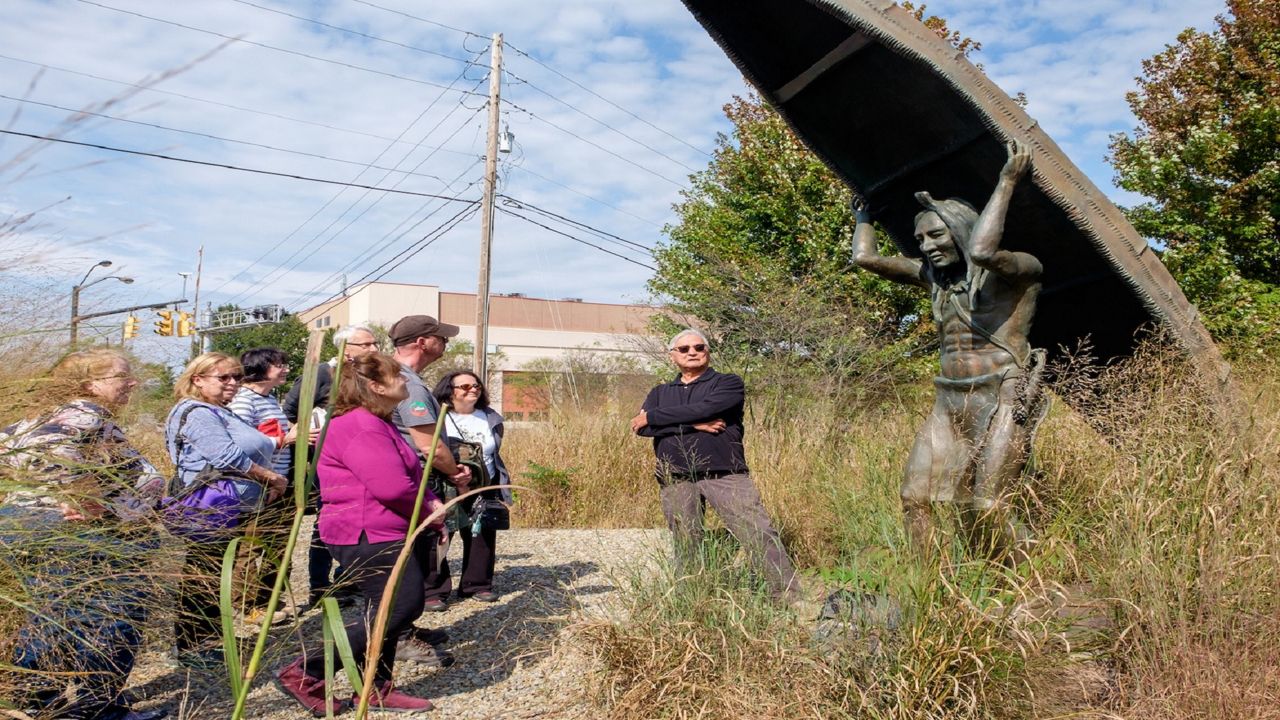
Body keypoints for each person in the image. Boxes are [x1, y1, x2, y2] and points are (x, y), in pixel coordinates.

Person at [851, 140, 1044, 565]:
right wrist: (864, 218)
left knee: (990, 507)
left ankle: (1034, 585)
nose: (926, 246)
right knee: (914, 497)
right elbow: (864, 258)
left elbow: (982, 252)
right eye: (920, 239)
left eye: (936, 234)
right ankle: (933, 590)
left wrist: (1007, 180)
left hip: (1001, 399)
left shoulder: (1019, 272)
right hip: (948, 401)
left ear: (960, 228)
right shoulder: (933, 279)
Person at [0, 349, 167, 720]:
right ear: (90, 383)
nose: (132, 382)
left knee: (53, 617)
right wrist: (86, 496)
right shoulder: (84, 410)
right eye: (122, 376)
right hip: (78, 534)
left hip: (30, 525)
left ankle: (37, 704)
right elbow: (55, 447)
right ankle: (100, 708)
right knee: (116, 619)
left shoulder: (39, 414)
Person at [275, 354, 444, 715]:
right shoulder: (360, 425)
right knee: (401, 606)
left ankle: (374, 687)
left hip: (382, 527)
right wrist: (430, 511)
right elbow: (392, 488)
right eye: (396, 374)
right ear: (376, 387)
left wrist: (432, 506)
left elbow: (411, 477)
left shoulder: (376, 422)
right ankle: (306, 673)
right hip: (366, 530)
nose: (404, 379)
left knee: (382, 610)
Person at [630, 329, 800, 603]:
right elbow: (642, 429)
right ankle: (693, 597)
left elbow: (704, 409)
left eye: (699, 347)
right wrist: (692, 425)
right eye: (684, 349)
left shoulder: (728, 383)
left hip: (725, 473)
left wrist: (655, 417)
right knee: (686, 540)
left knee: (757, 532)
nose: (692, 352)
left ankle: (788, 597)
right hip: (675, 476)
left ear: (708, 352)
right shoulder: (660, 392)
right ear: (673, 356)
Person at [165, 352, 287, 670]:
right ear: (198, 379)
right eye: (224, 378)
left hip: (228, 505)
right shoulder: (196, 412)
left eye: (236, 377)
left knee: (214, 572)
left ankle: (207, 640)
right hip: (208, 505)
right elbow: (228, 456)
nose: (232, 383)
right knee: (202, 576)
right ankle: (195, 646)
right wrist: (271, 477)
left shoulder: (218, 410)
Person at [385, 315, 469, 666]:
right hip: (415, 485)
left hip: (407, 483)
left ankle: (405, 626)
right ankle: (397, 637)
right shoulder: (410, 386)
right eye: (440, 338)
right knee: (411, 561)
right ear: (422, 342)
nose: (445, 343)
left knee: (413, 561)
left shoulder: (393, 377)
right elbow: (429, 446)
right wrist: (456, 473)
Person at [282, 325, 379, 606]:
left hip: (359, 460)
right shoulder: (322, 374)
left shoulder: (365, 376)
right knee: (328, 521)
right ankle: (319, 587)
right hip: (326, 462)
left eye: (375, 343)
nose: (373, 349)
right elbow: (291, 413)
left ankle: (347, 580)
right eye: (366, 344)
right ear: (345, 348)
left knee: (355, 519)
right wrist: (305, 440)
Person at [227, 347, 305, 625]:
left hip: (279, 484)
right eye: (278, 364)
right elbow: (242, 447)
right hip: (257, 485)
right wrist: (288, 440)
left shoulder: (269, 399)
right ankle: (246, 606)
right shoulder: (243, 401)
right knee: (251, 548)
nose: (284, 368)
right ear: (260, 368)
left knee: (278, 548)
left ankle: (270, 600)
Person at [431, 370, 512, 603]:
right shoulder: (438, 416)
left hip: (485, 484)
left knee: (482, 533)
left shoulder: (490, 417)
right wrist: (453, 474)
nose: (473, 389)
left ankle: (476, 585)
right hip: (446, 484)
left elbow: (494, 451)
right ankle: (435, 591)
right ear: (450, 391)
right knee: (440, 535)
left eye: (476, 385)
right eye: (465, 386)